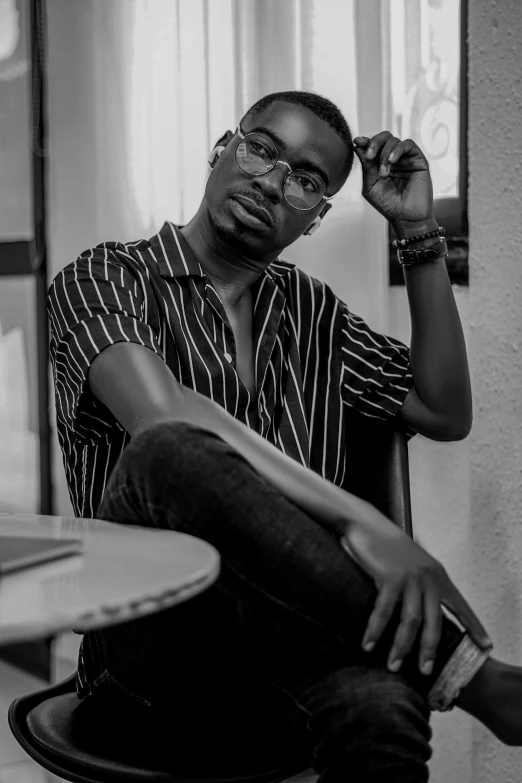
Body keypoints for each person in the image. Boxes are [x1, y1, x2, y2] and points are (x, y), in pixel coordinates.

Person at [48, 90, 522, 782]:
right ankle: (474, 679)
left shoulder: (313, 313)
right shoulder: (105, 275)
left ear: (314, 219)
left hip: (291, 648)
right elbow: (165, 421)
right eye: (262, 148)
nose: (271, 181)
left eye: (305, 179)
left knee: (382, 701)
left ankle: (452, 681)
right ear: (222, 148)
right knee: (170, 453)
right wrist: (363, 519)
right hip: (150, 660)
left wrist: (417, 234)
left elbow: (444, 411)